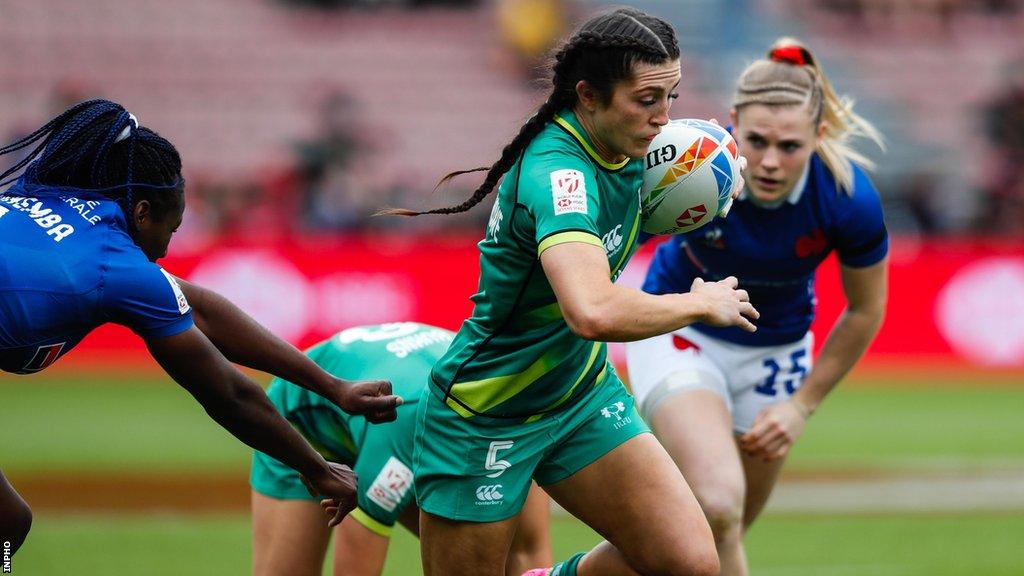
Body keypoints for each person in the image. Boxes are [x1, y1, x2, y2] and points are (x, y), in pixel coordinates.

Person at [382, 8, 759, 576]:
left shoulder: (632, 146)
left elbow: (655, 204)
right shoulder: (558, 174)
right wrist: (700, 303)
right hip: (488, 410)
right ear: (588, 95)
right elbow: (591, 310)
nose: (663, 119)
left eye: (672, 98)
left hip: (579, 394)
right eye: (647, 99)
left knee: (690, 562)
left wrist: (722, 173)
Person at [0, 99, 401, 556]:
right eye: (170, 230)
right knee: (6, 522)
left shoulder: (53, 204)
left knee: (8, 522)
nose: (168, 249)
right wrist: (316, 469)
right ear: (142, 212)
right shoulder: (113, 264)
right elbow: (228, 394)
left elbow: (203, 310)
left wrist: (335, 388)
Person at [626, 38, 889, 576]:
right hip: (683, 330)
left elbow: (865, 310)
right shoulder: (690, 164)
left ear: (818, 136)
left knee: (722, 532)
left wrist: (801, 407)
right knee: (717, 504)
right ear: (732, 124)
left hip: (777, 355)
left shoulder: (848, 199)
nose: (770, 162)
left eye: (790, 146)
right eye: (757, 140)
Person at [251, 322, 552, 576]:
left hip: (398, 418)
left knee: (493, 556)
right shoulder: (411, 422)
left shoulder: (525, 413)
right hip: (303, 425)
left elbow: (530, 554)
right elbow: (356, 562)